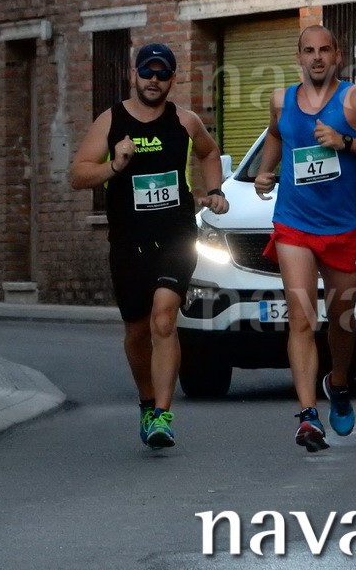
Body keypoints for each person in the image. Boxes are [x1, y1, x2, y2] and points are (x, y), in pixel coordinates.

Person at [70, 43, 229, 449]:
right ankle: (146, 401)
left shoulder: (185, 121)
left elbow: (210, 152)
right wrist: (115, 165)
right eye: (147, 72)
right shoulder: (111, 120)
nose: (153, 80)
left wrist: (215, 190)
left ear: (172, 79)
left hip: (176, 236)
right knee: (137, 332)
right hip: (128, 241)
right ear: (134, 75)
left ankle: (162, 414)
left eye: (162, 74)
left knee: (163, 318)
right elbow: (78, 175)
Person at [254, 25, 356, 452]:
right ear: (298, 57)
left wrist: (345, 141)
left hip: (342, 226)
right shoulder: (281, 99)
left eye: (324, 50)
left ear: (338, 55)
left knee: (341, 319)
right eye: (308, 50)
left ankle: (338, 382)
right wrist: (265, 171)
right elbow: (277, 134)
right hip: (293, 223)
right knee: (302, 318)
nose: (316, 57)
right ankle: (307, 415)